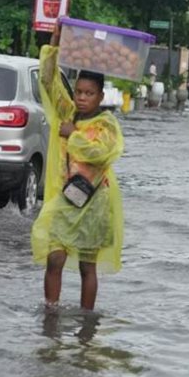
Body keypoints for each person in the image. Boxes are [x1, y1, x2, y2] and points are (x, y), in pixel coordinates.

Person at [32, 22, 125, 311]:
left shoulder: (106, 124)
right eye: (79, 92)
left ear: (100, 96)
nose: (82, 98)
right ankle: (50, 312)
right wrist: (55, 43)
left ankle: (86, 323)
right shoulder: (67, 112)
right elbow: (48, 82)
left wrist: (72, 134)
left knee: (88, 266)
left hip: (95, 202)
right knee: (54, 257)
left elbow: (100, 154)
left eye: (89, 93)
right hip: (66, 198)